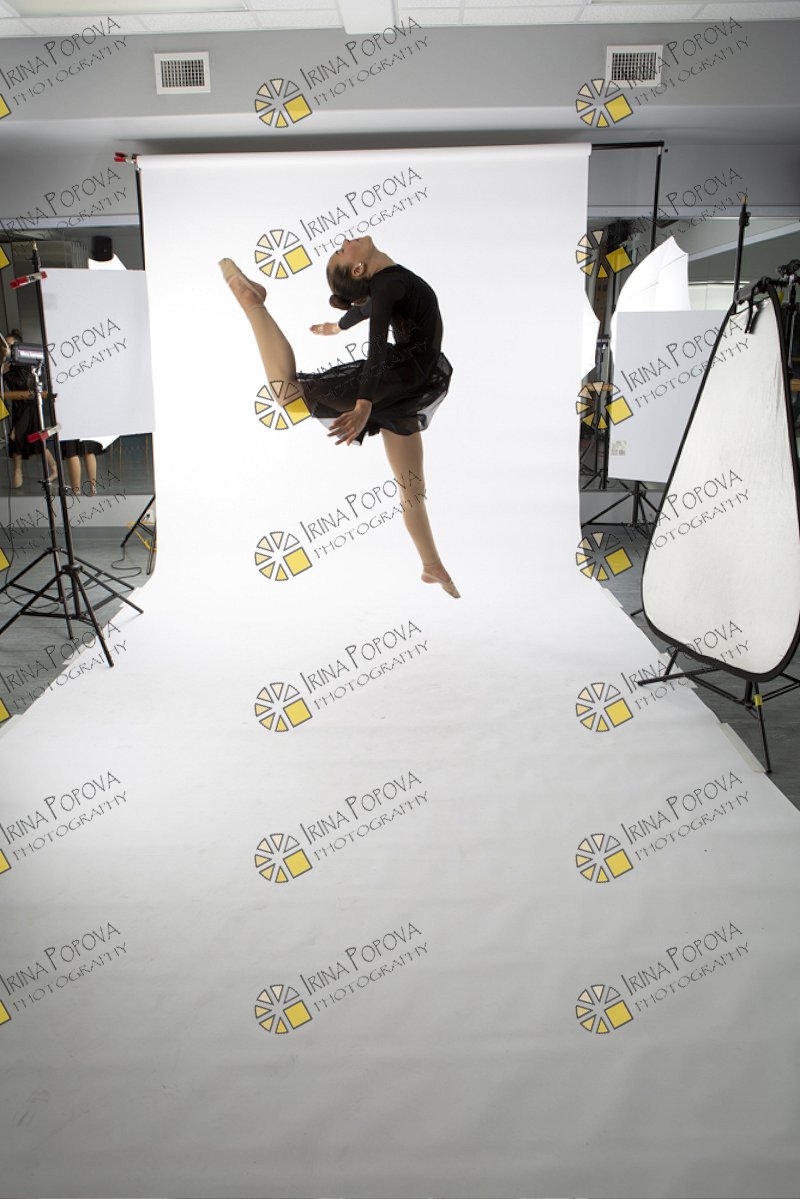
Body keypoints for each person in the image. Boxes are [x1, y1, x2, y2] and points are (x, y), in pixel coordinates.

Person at [219, 237, 459, 597]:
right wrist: (364, 403)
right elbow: (376, 346)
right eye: (342, 251)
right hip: (396, 380)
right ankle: (252, 302)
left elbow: (368, 310)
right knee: (287, 395)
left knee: (412, 487)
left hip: (405, 384)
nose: (346, 241)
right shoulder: (387, 282)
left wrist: (338, 327)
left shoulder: (388, 282)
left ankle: (431, 565)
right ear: (359, 268)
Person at [1, 329, 56, 487]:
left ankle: (19, 472)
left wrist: (7, 371)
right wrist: (4, 370)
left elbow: (26, 386)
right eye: (5, 345)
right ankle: (51, 470)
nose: (7, 348)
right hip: (18, 408)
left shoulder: (26, 363)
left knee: (15, 436)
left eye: (10, 345)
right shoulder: (7, 365)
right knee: (36, 439)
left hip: (30, 407)